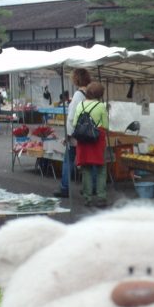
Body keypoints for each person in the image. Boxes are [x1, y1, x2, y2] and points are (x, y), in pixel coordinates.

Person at [53, 68, 92, 198]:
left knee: (68, 160)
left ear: (76, 79)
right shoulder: (91, 93)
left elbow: (71, 117)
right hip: (87, 132)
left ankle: (64, 188)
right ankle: (90, 188)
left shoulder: (77, 95)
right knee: (88, 161)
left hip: (76, 133)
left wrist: (67, 135)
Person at [73, 81, 109, 207]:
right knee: (101, 169)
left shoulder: (80, 105)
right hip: (97, 140)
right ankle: (101, 197)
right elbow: (105, 125)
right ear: (100, 94)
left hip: (83, 141)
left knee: (86, 170)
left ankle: (87, 198)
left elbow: (74, 124)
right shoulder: (101, 106)